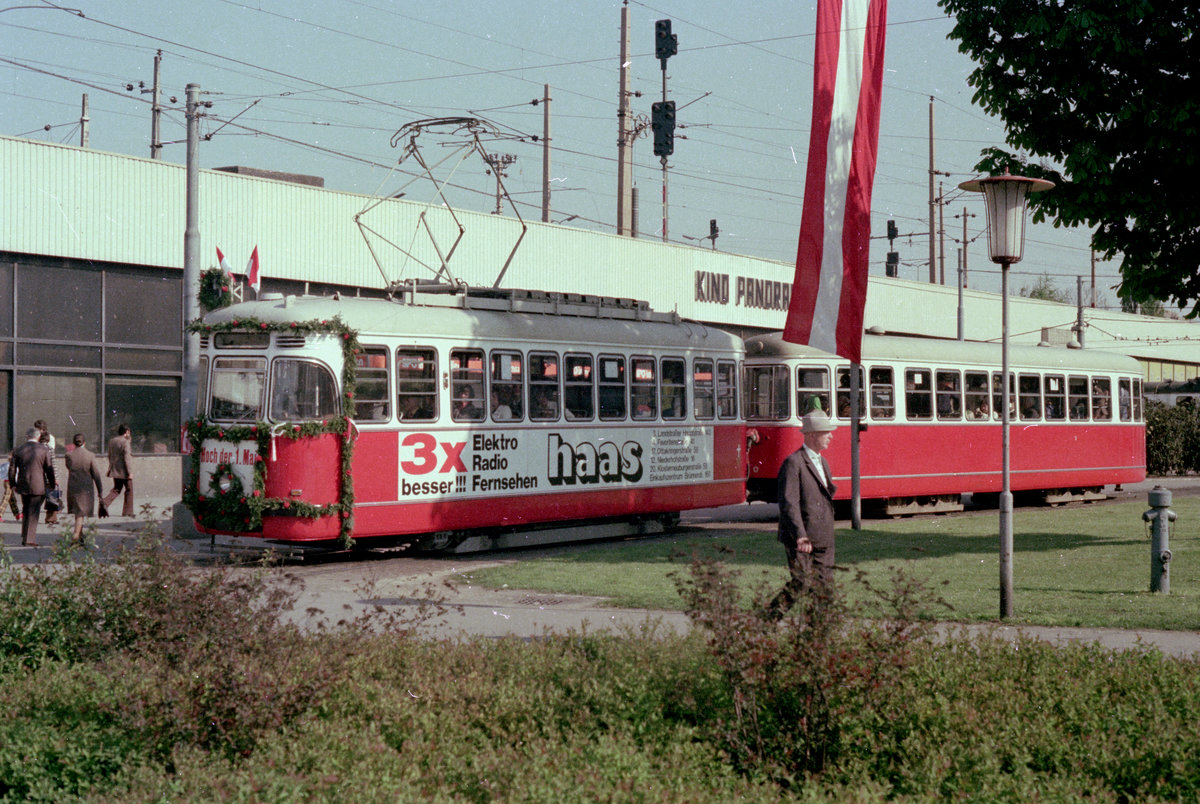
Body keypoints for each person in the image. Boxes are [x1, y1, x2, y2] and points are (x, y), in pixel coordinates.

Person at [767, 410, 838, 620]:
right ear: (813, 435)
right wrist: (800, 535)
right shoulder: (794, 463)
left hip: (823, 537)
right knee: (802, 582)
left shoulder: (823, 463)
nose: (831, 436)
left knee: (824, 589)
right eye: (826, 432)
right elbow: (789, 503)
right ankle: (768, 619)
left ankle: (816, 636)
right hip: (802, 538)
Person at [8, 427, 56, 546]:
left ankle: (25, 534)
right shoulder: (44, 450)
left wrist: (12, 483)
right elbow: (49, 469)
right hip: (38, 484)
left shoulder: (18, 449)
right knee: (34, 511)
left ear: (27, 436)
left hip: (23, 483)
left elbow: (12, 469)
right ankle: (29, 539)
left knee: (26, 508)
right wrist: (52, 483)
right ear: (38, 436)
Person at [64, 433, 106, 544]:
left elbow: (69, 467)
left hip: (73, 486)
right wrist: (100, 490)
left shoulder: (69, 455)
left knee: (78, 511)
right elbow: (96, 473)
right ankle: (76, 536)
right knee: (80, 512)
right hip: (86, 488)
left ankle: (81, 535)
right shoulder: (90, 455)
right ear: (84, 442)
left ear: (74, 443)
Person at [101, 424, 135, 517]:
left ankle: (105, 502)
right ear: (127, 431)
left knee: (116, 489)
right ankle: (128, 512)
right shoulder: (125, 442)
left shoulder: (112, 441)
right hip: (124, 471)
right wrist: (130, 472)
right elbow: (127, 457)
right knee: (129, 489)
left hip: (115, 469)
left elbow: (109, 455)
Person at [34, 419, 58, 525]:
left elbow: (50, 460)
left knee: (46, 496)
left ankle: (49, 517)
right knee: (49, 496)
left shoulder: (48, 440)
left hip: (42, 473)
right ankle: (48, 518)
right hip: (44, 474)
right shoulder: (36, 439)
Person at [0, 449, 21, 522]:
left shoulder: (6, 464)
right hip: (9, 482)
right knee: (6, 498)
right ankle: (0, 513)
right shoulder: (11, 465)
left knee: (11, 499)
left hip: (7, 482)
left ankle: (17, 514)